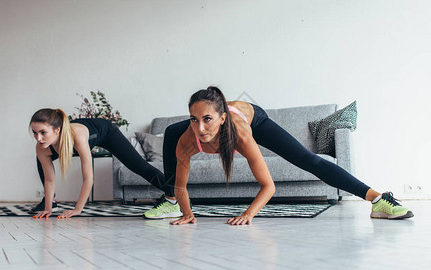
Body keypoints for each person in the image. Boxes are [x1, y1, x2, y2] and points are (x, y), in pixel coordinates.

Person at [143, 86, 414, 225]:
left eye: (207, 120)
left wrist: (248, 214)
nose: (199, 128)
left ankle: (377, 199)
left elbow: (268, 185)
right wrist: (187, 211)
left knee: (307, 160)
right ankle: (171, 203)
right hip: (224, 123)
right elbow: (181, 182)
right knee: (170, 131)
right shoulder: (187, 141)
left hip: (254, 119)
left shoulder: (241, 133)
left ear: (222, 117)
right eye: (193, 119)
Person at [29, 108, 168, 218]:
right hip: (76, 139)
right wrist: (48, 209)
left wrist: (77, 209)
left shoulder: (76, 137)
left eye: (43, 132)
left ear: (56, 130)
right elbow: (49, 180)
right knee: (39, 160)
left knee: (138, 166)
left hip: (106, 132)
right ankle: (51, 202)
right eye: (35, 133)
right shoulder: (41, 148)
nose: (38, 138)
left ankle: (172, 194)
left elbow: (88, 178)